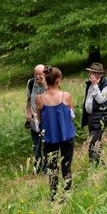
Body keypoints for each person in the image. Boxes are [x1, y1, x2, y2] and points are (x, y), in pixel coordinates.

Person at [36, 66, 76, 200]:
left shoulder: (39, 99)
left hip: (50, 137)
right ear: (58, 80)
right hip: (66, 135)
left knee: (52, 168)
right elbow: (71, 115)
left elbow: (40, 118)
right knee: (66, 166)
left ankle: (53, 196)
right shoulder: (67, 95)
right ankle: (67, 193)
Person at [80, 62, 107, 164]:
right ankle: (98, 162)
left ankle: (94, 163)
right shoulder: (89, 84)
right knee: (95, 141)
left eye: (95, 73)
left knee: (93, 141)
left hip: (100, 117)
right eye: (90, 72)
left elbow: (101, 100)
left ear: (100, 74)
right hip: (91, 116)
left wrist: (95, 85)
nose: (91, 75)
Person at [25, 64, 47, 173]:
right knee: (36, 144)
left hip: (46, 118)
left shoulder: (49, 82)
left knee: (46, 143)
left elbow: (53, 95)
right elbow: (28, 98)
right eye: (36, 74)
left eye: (40, 74)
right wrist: (28, 112)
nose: (38, 76)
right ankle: (38, 166)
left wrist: (45, 84)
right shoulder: (30, 83)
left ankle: (47, 167)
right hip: (33, 117)